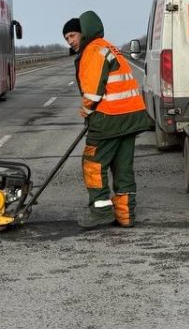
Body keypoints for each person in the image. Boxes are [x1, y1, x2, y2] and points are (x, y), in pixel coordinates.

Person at [65, 12, 151, 229]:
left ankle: (101, 211)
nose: (71, 41)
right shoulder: (110, 47)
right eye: (67, 38)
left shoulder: (93, 50)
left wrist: (85, 110)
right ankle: (125, 215)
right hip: (131, 117)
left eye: (73, 35)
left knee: (93, 164)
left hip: (110, 117)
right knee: (123, 168)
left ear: (84, 32)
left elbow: (93, 92)